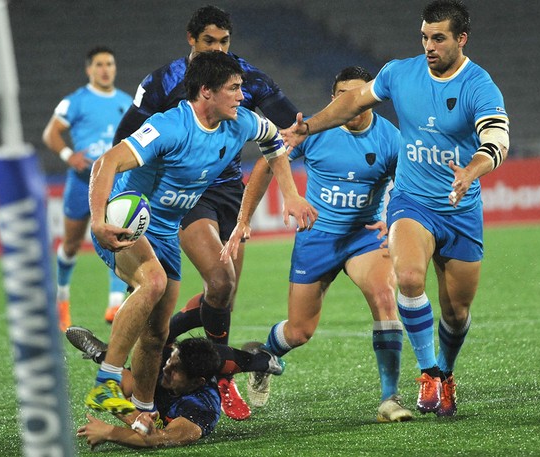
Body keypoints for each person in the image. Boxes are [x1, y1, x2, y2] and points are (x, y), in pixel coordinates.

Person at [279, 0, 510, 418]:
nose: (429, 45)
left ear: (461, 39)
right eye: (424, 36)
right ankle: (428, 373)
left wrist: (472, 170)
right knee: (406, 278)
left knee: (456, 314)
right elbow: (351, 103)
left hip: (460, 209)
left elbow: (496, 140)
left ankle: (447, 372)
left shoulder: (479, 86)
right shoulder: (399, 73)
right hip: (412, 200)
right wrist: (307, 126)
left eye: (438, 38)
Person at [85, 51, 316, 420]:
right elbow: (106, 162)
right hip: (127, 221)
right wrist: (98, 220)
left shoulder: (241, 122)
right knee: (154, 282)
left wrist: (290, 193)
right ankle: (106, 382)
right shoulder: (169, 126)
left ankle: (145, 411)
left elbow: (275, 144)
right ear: (206, 91)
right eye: (234, 89)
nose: (242, 96)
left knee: (157, 335)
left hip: (165, 231)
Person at [221, 66, 413, 422]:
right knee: (299, 331)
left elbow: (408, 184)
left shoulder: (391, 138)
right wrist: (244, 218)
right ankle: (263, 355)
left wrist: (395, 216)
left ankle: (390, 398)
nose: (352, 103)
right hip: (317, 238)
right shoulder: (314, 130)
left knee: (386, 299)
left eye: (359, 96)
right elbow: (267, 164)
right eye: (343, 97)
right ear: (334, 100)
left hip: (363, 237)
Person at [66, 327, 283, 449]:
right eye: (172, 360)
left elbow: (160, 439)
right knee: (117, 386)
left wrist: (109, 432)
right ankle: (106, 357)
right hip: (147, 399)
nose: (167, 368)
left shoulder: (201, 410)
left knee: (145, 421)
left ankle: (104, 356)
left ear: (197, 381)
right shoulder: (166, 363)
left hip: (158, 414)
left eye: (175, 369)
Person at [42, 46, 132, 331]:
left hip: (115, 181)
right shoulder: (75, 101)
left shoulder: (127, 102)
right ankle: (62, 299)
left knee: (118, 237)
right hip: (82, 182)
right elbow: (51, 133)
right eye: (99, 64)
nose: (105, 69)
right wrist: (70, 156)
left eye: (109, 64)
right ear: (89, 70)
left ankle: (115, 302)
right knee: (70, 244)